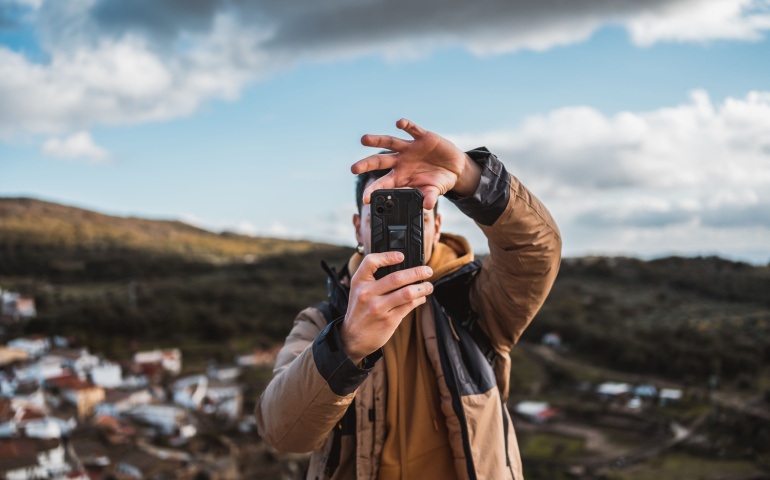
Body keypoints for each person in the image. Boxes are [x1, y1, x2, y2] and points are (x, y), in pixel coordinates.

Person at [255, 119, 562, 480]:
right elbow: (284, 432)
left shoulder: (477, 302)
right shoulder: (321, 323)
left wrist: (470, 175)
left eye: (419, 212)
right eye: (382, 212)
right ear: (358, 227)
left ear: (437, 226)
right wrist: (347, 343)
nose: (400, 230)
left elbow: (536, 250)